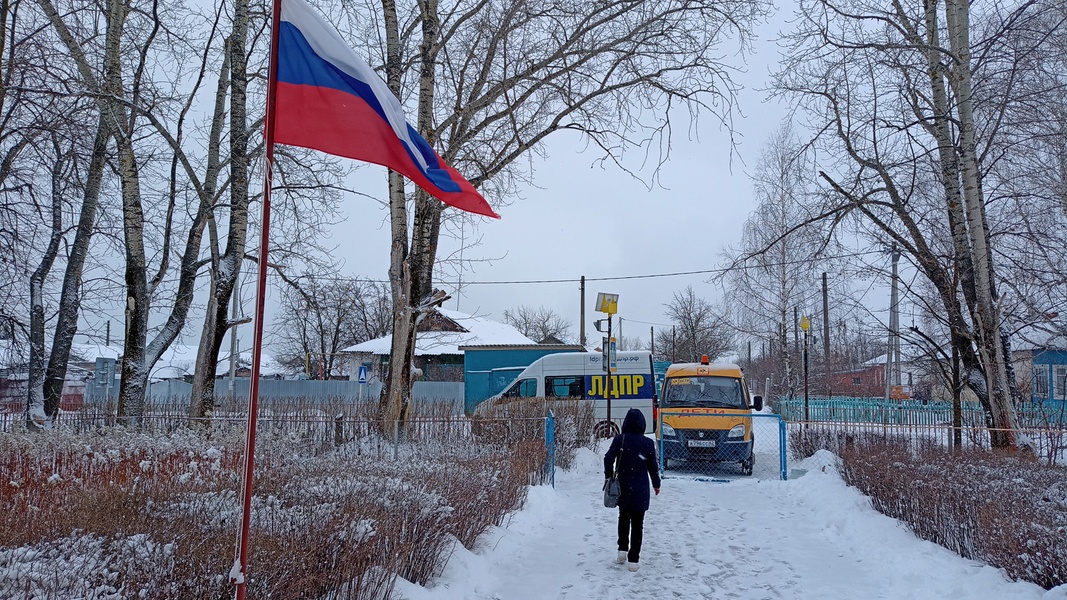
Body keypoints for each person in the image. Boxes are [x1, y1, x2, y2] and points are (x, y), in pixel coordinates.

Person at [603, 408, 661, 572]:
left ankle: (622, 550)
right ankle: (634, 560)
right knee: (638, 523)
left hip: (623, 487)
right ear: (642, 424)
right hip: (641, 489)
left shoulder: (620, 440)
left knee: (623, 518)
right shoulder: (647, 443)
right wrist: (656, 484)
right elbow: (653, 468)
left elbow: (608, 458)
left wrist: (609, 475)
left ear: (626, 423)